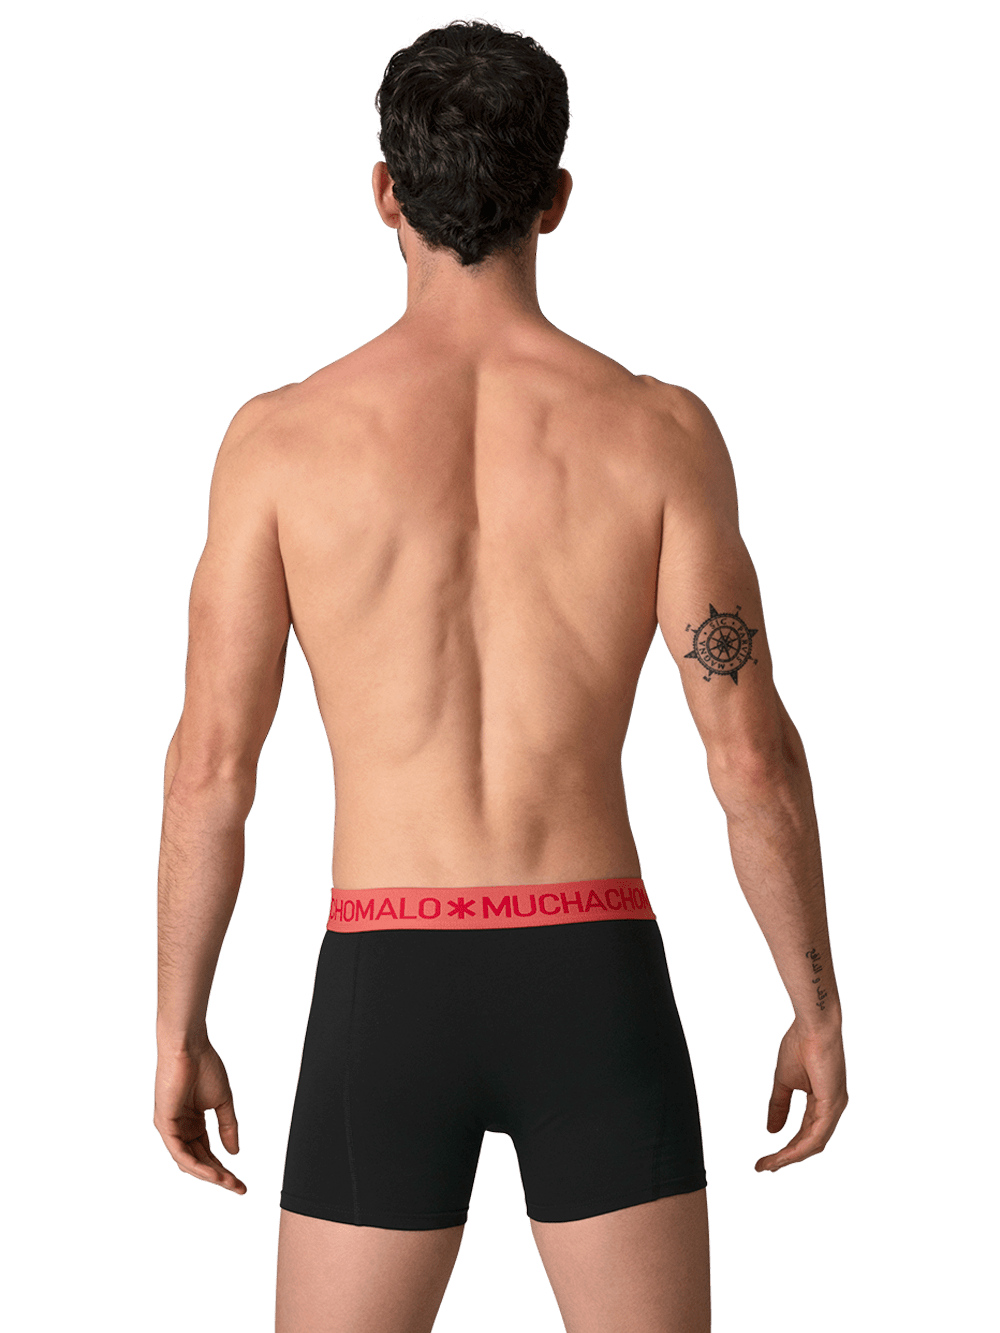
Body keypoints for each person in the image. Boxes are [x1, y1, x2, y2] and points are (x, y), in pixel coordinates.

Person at [152, 16, 848, 1333]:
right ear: (557, 198)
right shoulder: (656, 431)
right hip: (593, 974)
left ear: (384, 191)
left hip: (383, 981)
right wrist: (816, 1004)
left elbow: (211, 770)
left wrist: (176, 1026)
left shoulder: (280, 443)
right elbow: (750, 760)